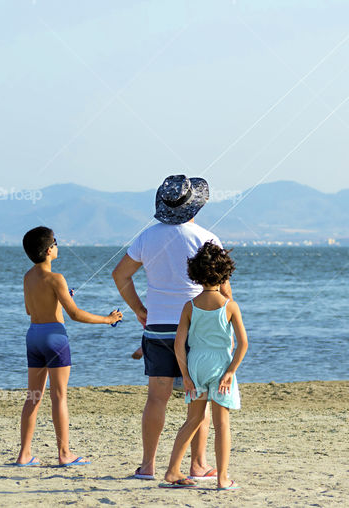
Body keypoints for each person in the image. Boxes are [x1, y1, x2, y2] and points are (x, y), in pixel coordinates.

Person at [111, 175, 231, 481]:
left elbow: (120, 276)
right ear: (194, 206)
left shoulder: (147, 237)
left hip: (158, 327)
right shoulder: (207, 238)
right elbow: (223, 292)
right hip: (197, 327)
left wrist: (139, 309)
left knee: (156, 398)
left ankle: (148, 466)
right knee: (198, 400)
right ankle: (198, 464)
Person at [15, 226, 122, 467]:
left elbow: (30, 310)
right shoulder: (56, 278)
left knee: (33, 396)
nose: (57, 245)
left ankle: (24, 455)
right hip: (55, 337)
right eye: (55, 242)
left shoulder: (28, 276)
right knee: (59, 396)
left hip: (33, 336)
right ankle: (64, 454)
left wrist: (61, 298)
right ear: (48, 249)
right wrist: (108, 319)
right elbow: (75, 315)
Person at [161, 242, 248, 490]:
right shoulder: (230, 306)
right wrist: (231, 372)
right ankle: (222, 478)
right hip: (220, 365)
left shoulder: (189, 306)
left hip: (196, 364)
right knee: (222, 425)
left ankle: (172, 471)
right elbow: (243, 344)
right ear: (225, 273)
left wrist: (186, 375)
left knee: (193, 420)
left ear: (196, 274)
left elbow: (179, 345)